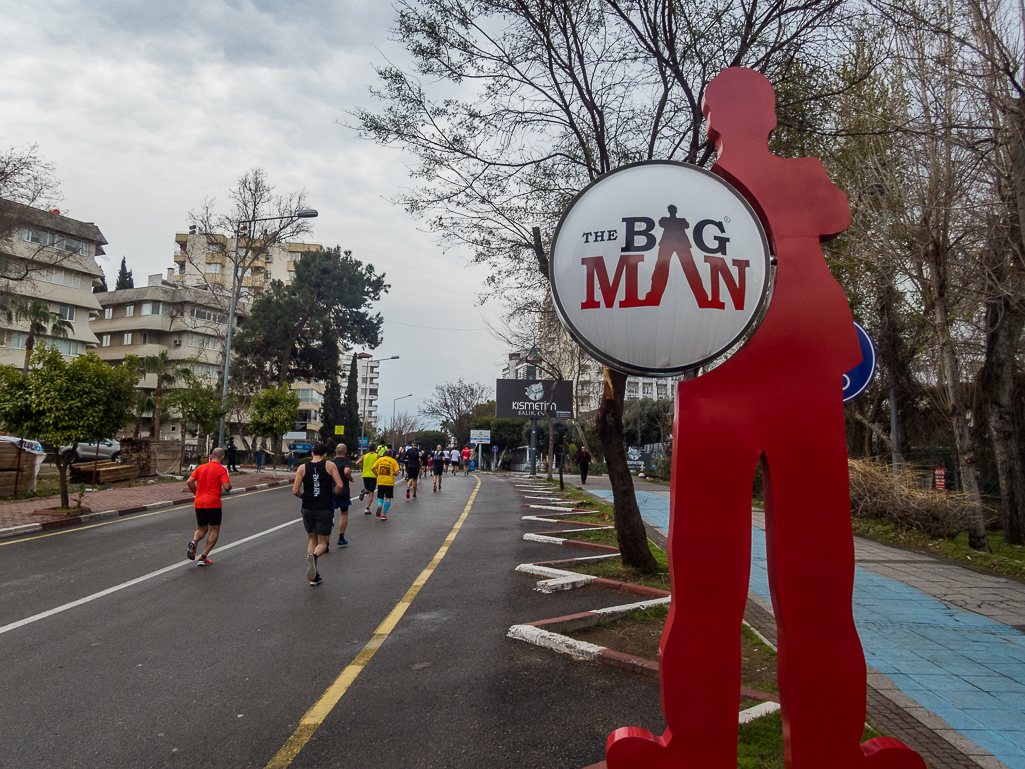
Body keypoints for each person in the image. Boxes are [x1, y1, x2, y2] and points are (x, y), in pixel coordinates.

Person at [605, 68, 925, 769]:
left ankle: (692, 749)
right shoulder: (801, 177)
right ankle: (831, 752)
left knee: (703, 590)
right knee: (817, 589)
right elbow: (835, 213)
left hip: (716, 384)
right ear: (771, 117)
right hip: (803, 386)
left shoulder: (694, 195)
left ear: (709, 121)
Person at [292, 443, 343, 586]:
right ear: (325, 454)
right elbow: (340, 485)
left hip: (307, 507)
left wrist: (304, 497)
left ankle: (313, 575)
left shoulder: (302, 468)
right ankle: (313, 558)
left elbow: (295, 490)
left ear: (312, 453)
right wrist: (332, 495)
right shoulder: (329, 466)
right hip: (324, 508)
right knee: (323, 543)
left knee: (311, 539)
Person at [186, 448, 232, 566]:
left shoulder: (201, 467)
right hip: (213, 503)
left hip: (199, 502)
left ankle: (194, 541)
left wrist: (197, 493)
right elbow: (226, 487)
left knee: (201, 528)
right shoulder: (222, 470)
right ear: (222, 457)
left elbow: (189, 482)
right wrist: (229, 486)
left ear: (211, 456)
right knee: (214, 530)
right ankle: (203, 557)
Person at [332, 443, 354, 547]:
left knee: (328, 514)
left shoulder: (329, 462)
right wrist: (350, 478)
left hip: (331, 492)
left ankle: (325, 541)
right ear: (345, 452)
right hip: (343, 491)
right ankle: (341, 537)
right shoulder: (347, 462)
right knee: (344, 514)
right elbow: (347, 471)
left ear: (335, 452)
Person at [371, 449, 400, 520]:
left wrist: (377, 474)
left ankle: (380, 505)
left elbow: (372, 468)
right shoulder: (393, 461)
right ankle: (383, 514)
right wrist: (391, 472)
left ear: (384, 454)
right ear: (391, 455)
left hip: (381, 481)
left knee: (380, 497)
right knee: (388, 498)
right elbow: (397, 473)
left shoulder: (380, 460)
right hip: (389, 482)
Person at [357, 445, 379, 515]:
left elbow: (357, 463)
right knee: (371, 493)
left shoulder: (364, 456)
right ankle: (367, 508)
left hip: (365, 475)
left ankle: (364, 491)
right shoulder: (377, 456)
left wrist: (363, 468)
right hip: (373, 475)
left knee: (368, 490)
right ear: (375, 449)